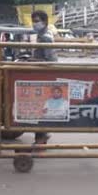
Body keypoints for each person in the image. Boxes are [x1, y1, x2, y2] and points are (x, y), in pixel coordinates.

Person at [31, 10, 56, 144]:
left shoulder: (45, 37)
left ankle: (40, 137)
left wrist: (32, 61)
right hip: (42, 74)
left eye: (37, 21)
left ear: (45, 22)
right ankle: (42, 135)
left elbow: (48, 59)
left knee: (39, 107)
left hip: (44, 75)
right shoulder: (41, 35)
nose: (35, 24)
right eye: (33, 21)